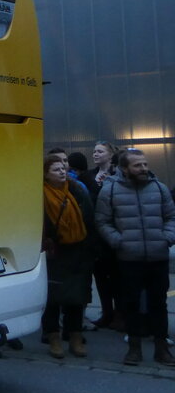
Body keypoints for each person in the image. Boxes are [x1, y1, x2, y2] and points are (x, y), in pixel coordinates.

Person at [94, 147, 175, 366]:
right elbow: (102, 221)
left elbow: (171, 217)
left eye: (145, 164)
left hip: (157, 257)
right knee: (130, 305)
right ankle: (134, 349)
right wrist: (118, 241)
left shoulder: (159, 188)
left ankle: (161, 349)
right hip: (129, 259)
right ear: (124, 168)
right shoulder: (110, 190)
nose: (144, 168)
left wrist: (166, 237)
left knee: (159, 304)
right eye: (138, 165)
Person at [42, 156, 95, 358]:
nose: (62, 172)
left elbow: (89, 218)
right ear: (46, 174)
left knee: (76, 297)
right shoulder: (40, 194)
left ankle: (74, 336)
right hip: (53, 250)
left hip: (77, 249)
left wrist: (90, 248)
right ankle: (53, 337)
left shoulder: (77, 190)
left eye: (63, 168)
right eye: (56, 170)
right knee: (52, 298)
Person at [80, 141, 122, 329]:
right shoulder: (88, 176)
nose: (95, 154)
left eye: (99, 151)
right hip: (93, 235)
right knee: (100, 277)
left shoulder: (118, 174)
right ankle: (107, 313)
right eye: (94, 151)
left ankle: (120, 314)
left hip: (114, 232)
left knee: (117, 276)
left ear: (110, 154)